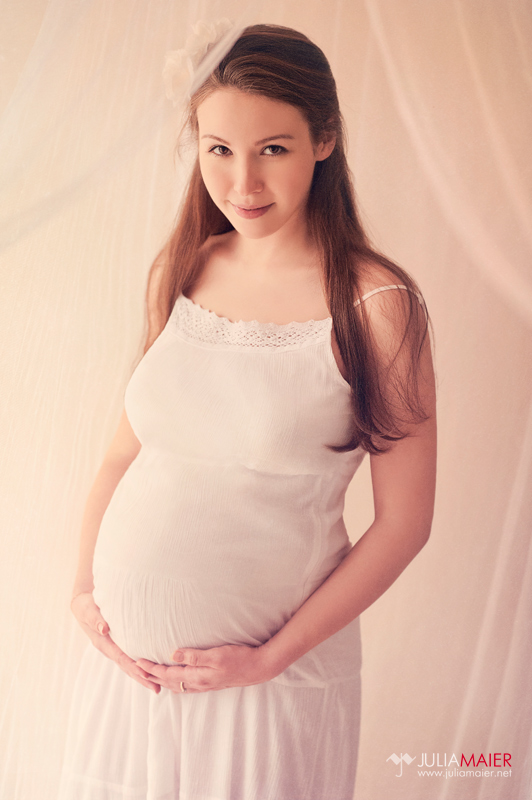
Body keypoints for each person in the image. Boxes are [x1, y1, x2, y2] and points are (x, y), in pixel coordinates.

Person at [61, 22, 436, 800]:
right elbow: (123, 455)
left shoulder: (375, 305)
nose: (242, 183)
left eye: (272, 148)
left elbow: (404, 526)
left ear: (324, 139)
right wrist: (83, 590)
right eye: (218, 149)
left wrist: (267, 659)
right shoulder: (185, 266)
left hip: (269, 687)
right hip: (127, 680)